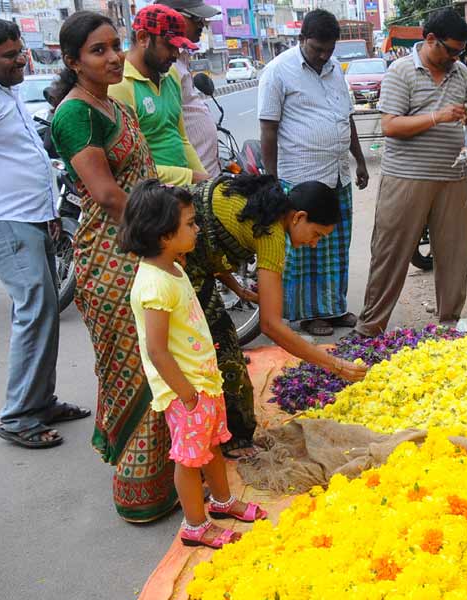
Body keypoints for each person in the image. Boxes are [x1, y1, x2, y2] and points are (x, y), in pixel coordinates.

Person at [50, 11, 175, 521]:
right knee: (139, 367)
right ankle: (138, 492)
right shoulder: (75, 114)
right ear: (72, 61)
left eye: (116, 45)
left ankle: (173, 474)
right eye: (98, 50)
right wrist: (165, 233)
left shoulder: (111, 103)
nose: (114, 56)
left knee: (160, 359)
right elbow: (105, 193)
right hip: (112, 256)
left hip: (140, 247)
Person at [120, 180, 268, 549]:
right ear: (163, 234)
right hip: (186, 391)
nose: (197, 229)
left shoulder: (174, 268)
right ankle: (195, 525)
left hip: (204, 382)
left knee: (212, 446)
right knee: (189, 460)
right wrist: (186, 394)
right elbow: (157, 350)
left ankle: (222, 502)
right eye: (189, 223)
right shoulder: (154, 285)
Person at [0, 16, 89, 449]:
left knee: (45, 310)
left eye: (20, 50)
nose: (21, 59)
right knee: (34, 310)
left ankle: (40, 401)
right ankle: (18, 416)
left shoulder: (5, 90)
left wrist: (46, 213)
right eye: (10, 55)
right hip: (6, 220)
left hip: (32, 216)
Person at [183, 174, 367, 457]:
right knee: (223, 354)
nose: (315, 243)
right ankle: (228, 441)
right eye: (317, 234)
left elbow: (214, 235)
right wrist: (335, 365)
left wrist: (238, 288)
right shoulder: (272, 235)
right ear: (298, 217)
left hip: (181, 255)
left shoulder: (268, 198)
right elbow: (271, 324)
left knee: (214, 345)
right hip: (174, 265)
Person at [354, 9, 467, 337]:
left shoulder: (460, 74)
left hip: (453, 177)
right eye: (451, 50)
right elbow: (390, 125)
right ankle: (369, 328)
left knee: (455, 254)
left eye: (461, 52)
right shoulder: (401, 72)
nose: (456, 57)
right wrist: (437, 117)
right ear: (430, 40)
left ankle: (449, 326)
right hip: (406, 179)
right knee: (391, 252)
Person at [258, 9, 368, 337]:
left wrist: (359, 161)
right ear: (302, 39)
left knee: (335, 244)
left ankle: (333, 309)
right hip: (300, 176)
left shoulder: (335, 70)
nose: (322, 55)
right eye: (316, 48)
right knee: (306, 248)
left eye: (328, 49)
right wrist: (273, 179)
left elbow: (346, 119)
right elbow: (268, 127)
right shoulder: (278, 71)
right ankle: (309, 314)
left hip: (337, 175)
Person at [109, 4, 208, 186]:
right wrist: (191, 176)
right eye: (169, 46)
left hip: (181, 191)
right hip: (149, 197)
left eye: (178, 47)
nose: (175, 54)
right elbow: (130, 166)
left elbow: (181, 138)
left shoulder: (171, 75)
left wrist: (207, 182)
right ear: (143, 38)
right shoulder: (120, 85)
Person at [158, 0, 222, 178]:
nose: (202, 24)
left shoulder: (181, 59)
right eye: (196, 18)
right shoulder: (166, 68)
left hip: (204, 175)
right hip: (190, 181)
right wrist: (194, 177)